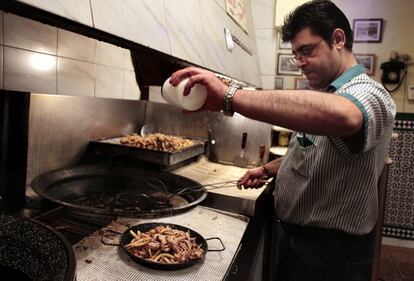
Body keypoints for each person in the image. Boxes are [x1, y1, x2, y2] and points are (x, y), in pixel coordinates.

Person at [169, 1, 396, 280]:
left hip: (333, 257)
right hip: (302, 245)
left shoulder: (370, 92)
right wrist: (267, 170)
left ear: (338, 39)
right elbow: (313, 151)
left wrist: (231, 97)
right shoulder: (328, 93)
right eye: (296, 54)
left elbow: (345, 117)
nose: (300, 62)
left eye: (307, 50)